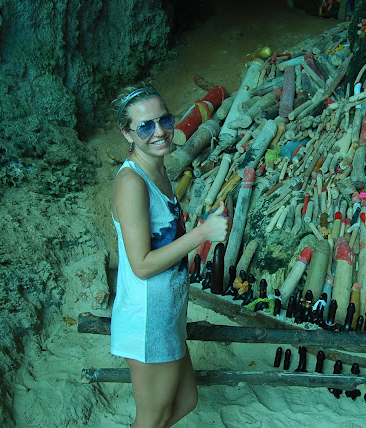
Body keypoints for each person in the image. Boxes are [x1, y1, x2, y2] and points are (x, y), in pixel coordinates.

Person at [110, 85, 229, 428]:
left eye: (164, 119)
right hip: (147, 318)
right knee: (152, 420)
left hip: (167, 313)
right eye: (145, 125)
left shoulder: (158, 169)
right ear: (126, 133)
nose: (159, 131)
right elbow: (142, 265)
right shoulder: (132, 183)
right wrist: (201, 234)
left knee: (186, 401)